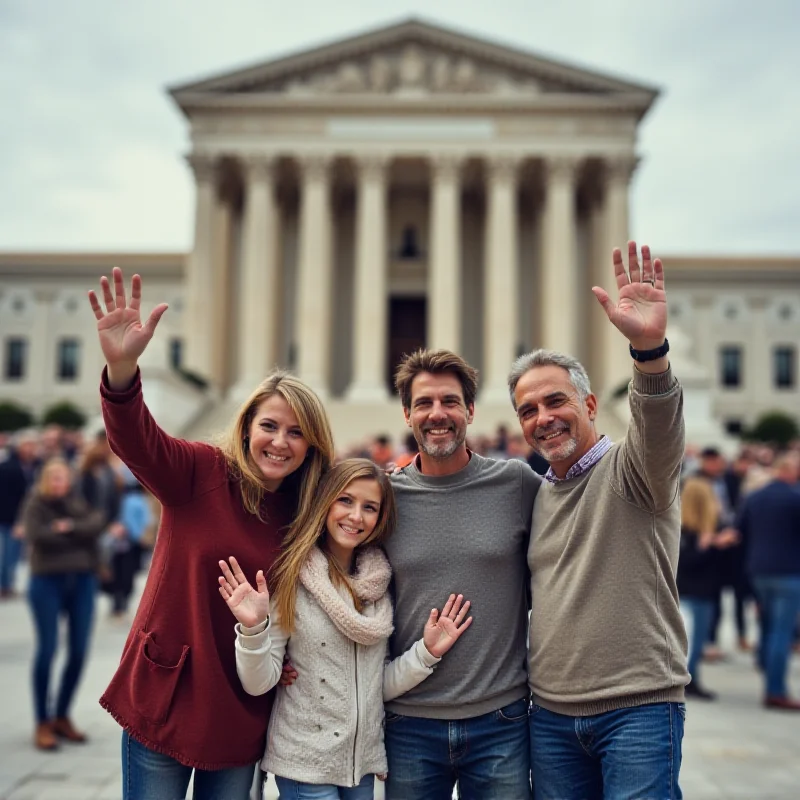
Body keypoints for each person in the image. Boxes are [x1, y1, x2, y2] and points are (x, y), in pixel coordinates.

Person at [86, 267, 335, 800]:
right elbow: (136, 440)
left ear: (312, 447)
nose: (279, 442)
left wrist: (294, 658)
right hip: (167, 693)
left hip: (241, 706)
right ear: (246, 427)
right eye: (269, 426)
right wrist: (123, 370)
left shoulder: (305, 514)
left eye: (297, 433)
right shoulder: (199, 472)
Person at [508, 242, 689, 799]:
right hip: (553, 715)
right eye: (528, 411)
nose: (544, 419)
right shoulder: (535, 495)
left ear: (589, 407)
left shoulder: (634, 472)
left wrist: (648, 351)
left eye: (556, 401)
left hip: (638, 708)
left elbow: (657, 429)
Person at [219, 458, 473, 799]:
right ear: (326, 501)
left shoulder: (377, 587)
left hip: (361, 769)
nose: (356, 517)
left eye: (369, 507)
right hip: (304, 766)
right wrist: (252, 629)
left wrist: (426, 653)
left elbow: (373, 687)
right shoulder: (292, 578)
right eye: (345, 500)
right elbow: (258, 682)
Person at [383, 349, 541, 800]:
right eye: (425, 403)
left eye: (450, 402)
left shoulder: (516, 483)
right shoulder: (384, 498)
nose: (438, 414)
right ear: (407, 413)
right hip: (408, 723)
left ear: (470, 410)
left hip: (501, 721)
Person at [21, 457, 106, 750]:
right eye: (55, 479)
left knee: (80, 651)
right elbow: (37, 535)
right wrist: (75, 533)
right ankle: (42, 720)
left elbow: (96, 523)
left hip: (82, 581)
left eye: (64, 478)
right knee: (47, 650)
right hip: (46, 582)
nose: (60, 484)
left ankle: (62, 714)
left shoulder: (76, 503)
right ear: (46, 480)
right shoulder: (35, 505)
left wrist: (66, 527)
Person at [739, 452, 800, 710]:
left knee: (766, 624)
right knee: (781, 631)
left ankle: (765, 663)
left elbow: (740, 532)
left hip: (758, 570)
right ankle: (775, 689)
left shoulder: (754, 497)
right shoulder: (795, 498)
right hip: (787, 571)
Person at [677, 477, 739, 700]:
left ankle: (690, 679)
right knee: (692, 639)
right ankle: (688, 680)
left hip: (699, 590)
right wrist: (709, 546)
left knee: (694, 638)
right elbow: (686, 563)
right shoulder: (689, 532)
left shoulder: (698, 529)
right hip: (695, 591)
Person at [0, 429, 39, 598]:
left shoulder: (37, 465)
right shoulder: (8, 466)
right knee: (9, 554)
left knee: (18, 555)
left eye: (32, 445)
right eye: (26, 445)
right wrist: (17, 521)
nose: (29, 449)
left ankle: (9, 583)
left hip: (28, 517)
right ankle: (5, 585)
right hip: (11, 517)